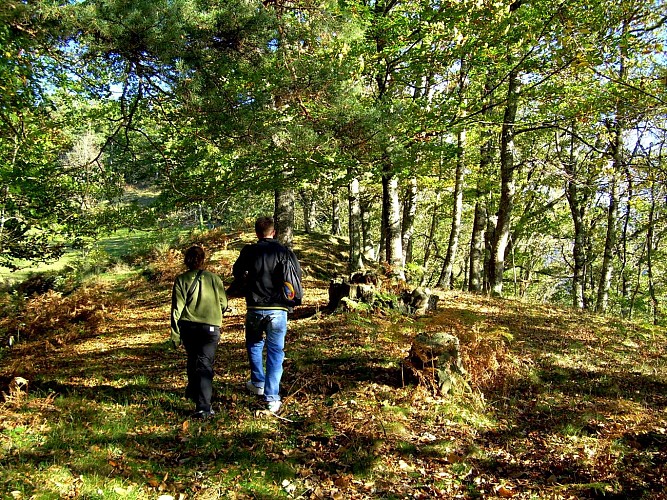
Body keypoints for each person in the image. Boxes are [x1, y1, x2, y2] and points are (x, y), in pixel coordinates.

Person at [228, 216, 302, 414]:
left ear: (256, 233)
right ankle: (271, 398)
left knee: (254, 343)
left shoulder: (249, 251)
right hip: (278, 309)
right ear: (274, 232)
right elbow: (296, 277)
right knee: (275, 351)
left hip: (254, 307)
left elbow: (236, 271)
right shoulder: (284, 252)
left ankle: (258, 382)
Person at [171, 245, 227, 419]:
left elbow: (176, 309)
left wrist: (175, 334)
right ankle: (203, 406)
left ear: (186, 260)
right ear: (203, 259)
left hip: (188, 327)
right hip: (210, 328)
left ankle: (194, 392)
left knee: (193, 359)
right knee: (204, 364)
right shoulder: (214, 279)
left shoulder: (181, 280)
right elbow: (224, 303)